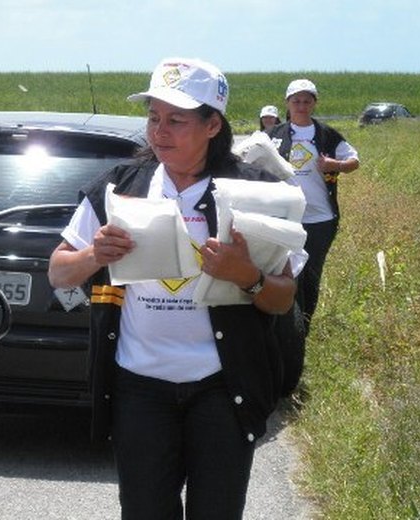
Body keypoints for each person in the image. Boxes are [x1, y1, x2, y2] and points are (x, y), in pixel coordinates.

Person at [48, 57, 297, 520]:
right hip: (139, 389)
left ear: (212, 125)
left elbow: (283, 299)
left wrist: (247, 275)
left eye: (176, 120)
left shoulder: (254, 191)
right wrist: (93, 256)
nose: (159, 131)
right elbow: (58, 272)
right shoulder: (121, 187)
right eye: (154, 118)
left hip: (222, 391)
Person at [269, 79, 360, 333]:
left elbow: (354, 161)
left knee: (310, 273)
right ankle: (286, 324)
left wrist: (336, 165)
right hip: (283, 217)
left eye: (307, 101)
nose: (301, 105)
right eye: (296, 101)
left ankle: (303, 326)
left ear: (314, 103)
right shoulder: (273, 135)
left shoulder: (326, 135)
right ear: (287, 103)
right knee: (284, 271)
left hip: (320, 219)